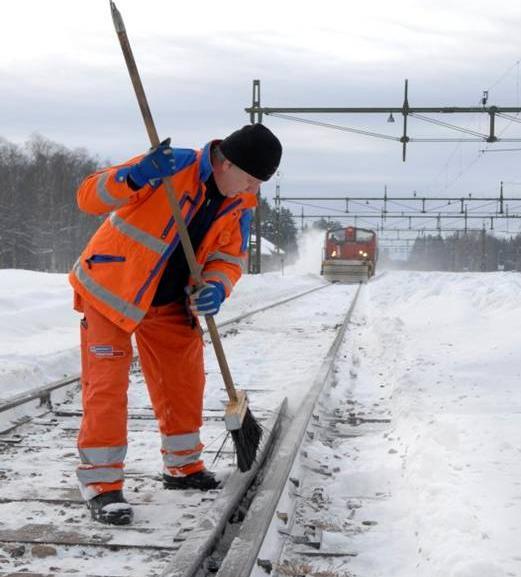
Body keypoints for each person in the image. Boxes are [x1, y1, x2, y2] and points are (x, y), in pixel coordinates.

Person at [69, 124, 282, 525]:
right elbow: (88, 196)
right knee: (107, 388)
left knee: (183, 381)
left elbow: (229, 258)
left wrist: (216, 287)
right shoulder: (171, 166)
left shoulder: (241, 205)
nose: (252, 189)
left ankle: (183, 467)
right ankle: (102, 486)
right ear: (226, 163)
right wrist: (135, 176)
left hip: (169, 301)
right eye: (250, 178)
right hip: (112, 291)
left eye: (259, 183)